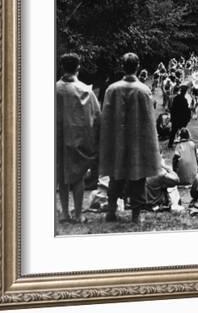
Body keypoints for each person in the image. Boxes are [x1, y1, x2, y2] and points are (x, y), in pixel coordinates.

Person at [99, 53, 161, 223]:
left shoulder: (112, 89)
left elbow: (106, 118)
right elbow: (149, 121)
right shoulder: (144, 90)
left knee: (115, 176)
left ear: (122, 66)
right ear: (138, 66)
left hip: (117, 141)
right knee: (138, 177)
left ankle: (111, 211)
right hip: (137, 142)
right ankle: (136, 214)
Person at [56, 53, 101, 223]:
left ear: (62, 67)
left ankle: (65, 213)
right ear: (78, 68)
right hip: (79, 139)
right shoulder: (86, 91)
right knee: (78, 177)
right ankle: (78, 214)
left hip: (58, 139)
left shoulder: (54, 89)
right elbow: (97, 116)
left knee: (62, 176)